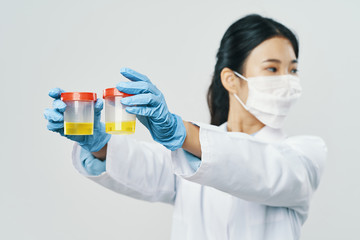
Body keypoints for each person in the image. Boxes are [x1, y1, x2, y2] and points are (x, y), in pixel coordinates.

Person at [44, 14, 327, 240]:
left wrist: (178, 131)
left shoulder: (304, 155)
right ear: (231, 79)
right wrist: (98, 144)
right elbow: (142, 166)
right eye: (272, 68)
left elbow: (260, 169)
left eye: (293, 69)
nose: (288, 80)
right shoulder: (189, 154)